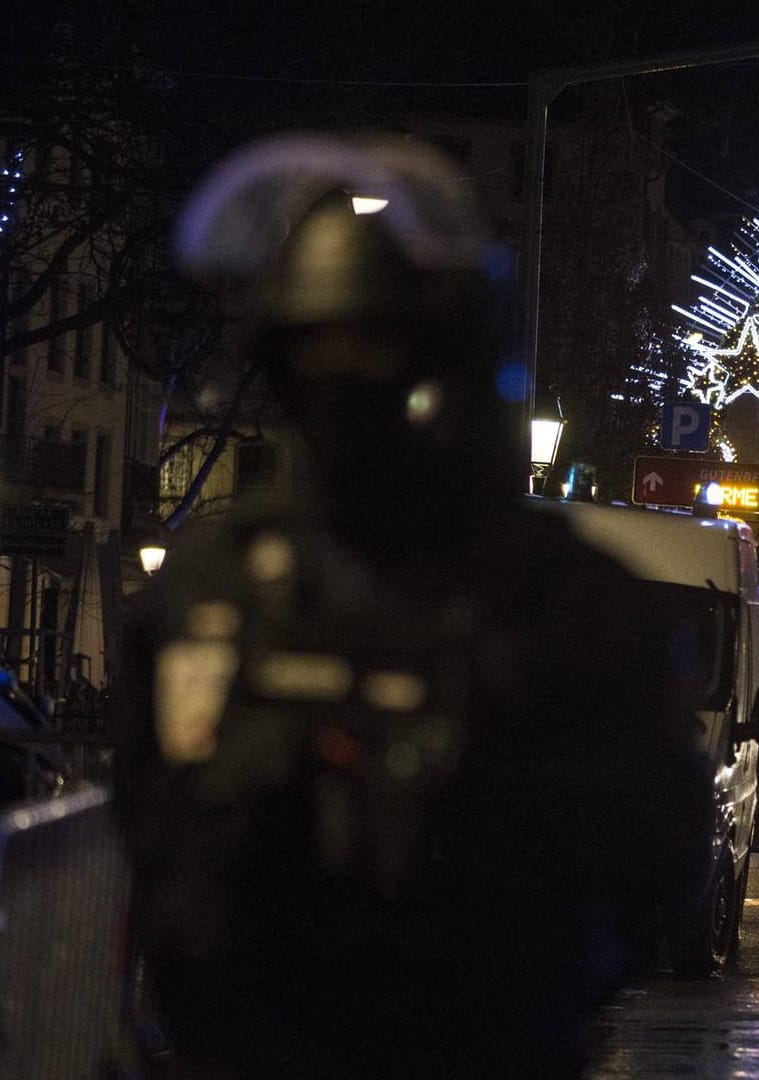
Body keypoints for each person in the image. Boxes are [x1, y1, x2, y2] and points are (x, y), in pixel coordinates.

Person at [114, 134, 710, 1080]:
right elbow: (149, 825)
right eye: (317, 350)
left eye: (375, 345)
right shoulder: (212, 585)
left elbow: (658, 861)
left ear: (447, 356)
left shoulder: (558, 598)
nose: (345, 380)